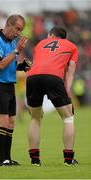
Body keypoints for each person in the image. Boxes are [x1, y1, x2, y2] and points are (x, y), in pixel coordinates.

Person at [26, 26, 79, 166]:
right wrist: (67, 92)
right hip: (53, 77)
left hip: (32, 77)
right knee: (68, 118)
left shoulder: (39, 44)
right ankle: (69, 160)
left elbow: (38, 64)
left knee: (35, 118)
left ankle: (35, 160)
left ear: (50, 35)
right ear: (64, 38)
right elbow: (70, 71)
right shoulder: (71, 46)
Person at [0, 14, 31, 166]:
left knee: (11, 123)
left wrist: (22, 66)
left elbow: (10, 64)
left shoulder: (13, 42)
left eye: (21, 30)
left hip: (10, 85)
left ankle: (7, 158)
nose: (18, 33)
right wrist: (16, 51)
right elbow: (0, 65)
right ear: (8, 24)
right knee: (2, 122)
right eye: (17, 29)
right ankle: (0, 160)